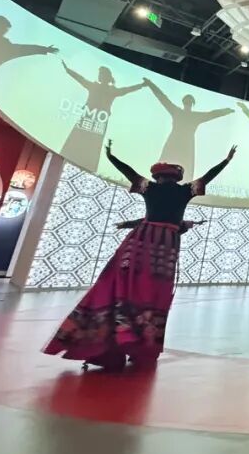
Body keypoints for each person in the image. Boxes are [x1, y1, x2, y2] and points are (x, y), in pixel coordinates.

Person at [43, 141, 236, 370]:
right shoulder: (185, 191)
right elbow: (207, 178)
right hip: (166, 246)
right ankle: (142, 347)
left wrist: (111, 157)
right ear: (175, 177)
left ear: (157, 177)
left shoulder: (149, 188)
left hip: (142, 241)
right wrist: (226, 161)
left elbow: (129, 173)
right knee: (154, 293)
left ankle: (113, 343)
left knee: (124, 286)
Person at [144, 78, 235, 179]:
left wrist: (225, 111)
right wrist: (151, 84)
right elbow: (163, 98)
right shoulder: (181, 113)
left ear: (190, 104)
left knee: (182, 170)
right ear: (185, 103)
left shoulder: (185, 114)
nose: (188, 103)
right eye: (187, 101)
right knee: (169, 168)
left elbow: (211, 114)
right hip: (176, 144)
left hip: (184, 146)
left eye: (189, 102)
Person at [62, 63, 145, 173]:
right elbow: (80, 79)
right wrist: (68, 69)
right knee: (76, 140)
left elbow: (127, 89)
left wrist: (141, 85)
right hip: (88, 116)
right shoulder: (95, 86)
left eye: (101, 74)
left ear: (106, 77)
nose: (99, 75)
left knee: (92, 145)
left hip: (99, 120)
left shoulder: (111, 90)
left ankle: (86, 167)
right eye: (99, 73)